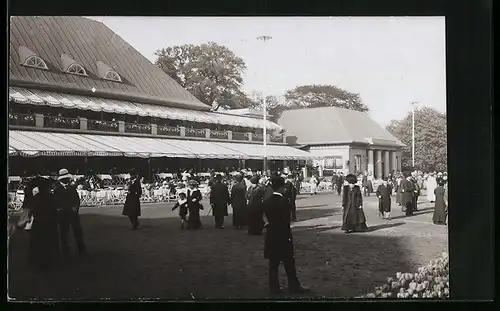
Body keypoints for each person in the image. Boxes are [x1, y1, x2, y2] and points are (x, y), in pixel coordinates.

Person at [261, 176, 310, 295]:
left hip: (271, 235)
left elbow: (264, 217)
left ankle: (274, 288)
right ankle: (294, 286)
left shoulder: (267, 202)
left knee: (273, 264)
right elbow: (286, 222)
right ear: (283, 187)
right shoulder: (285, 202)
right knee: (289, 263)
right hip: (283, 235)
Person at [26, 176, 60, 269]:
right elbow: (54, 209)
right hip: (49, 223)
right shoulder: (50, 197)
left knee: (38, 242)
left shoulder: (37, 197)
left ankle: (36, 259)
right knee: (48, 243)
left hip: (39, 222)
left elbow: (31, 209)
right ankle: (47, 261)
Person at [53, 168, 88, 260]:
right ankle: (66, 253)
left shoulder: (72, 188)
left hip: (73, 214)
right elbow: (55, 202)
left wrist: (75, 208)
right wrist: (60, 209)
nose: (67, 180)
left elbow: (77, 200)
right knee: (64, 234)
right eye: (66, 179)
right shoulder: (57, 189)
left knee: (78, 233)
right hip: (63, 215)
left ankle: (82, 251)